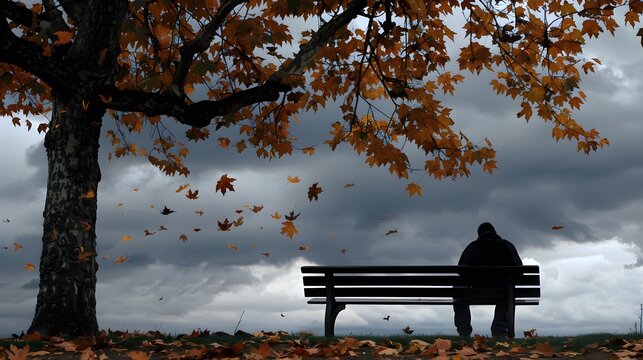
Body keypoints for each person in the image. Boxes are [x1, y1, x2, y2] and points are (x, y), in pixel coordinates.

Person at [454, 222, 522, 337]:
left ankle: (464, 332)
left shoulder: (472, 247)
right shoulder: (507, 247)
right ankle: (499, 331)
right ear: (495, 232)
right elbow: (520, 273)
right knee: (509, 292)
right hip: (502, 294)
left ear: (479, 234)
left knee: (458, 289)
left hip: (475, 293)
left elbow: (461, 271)